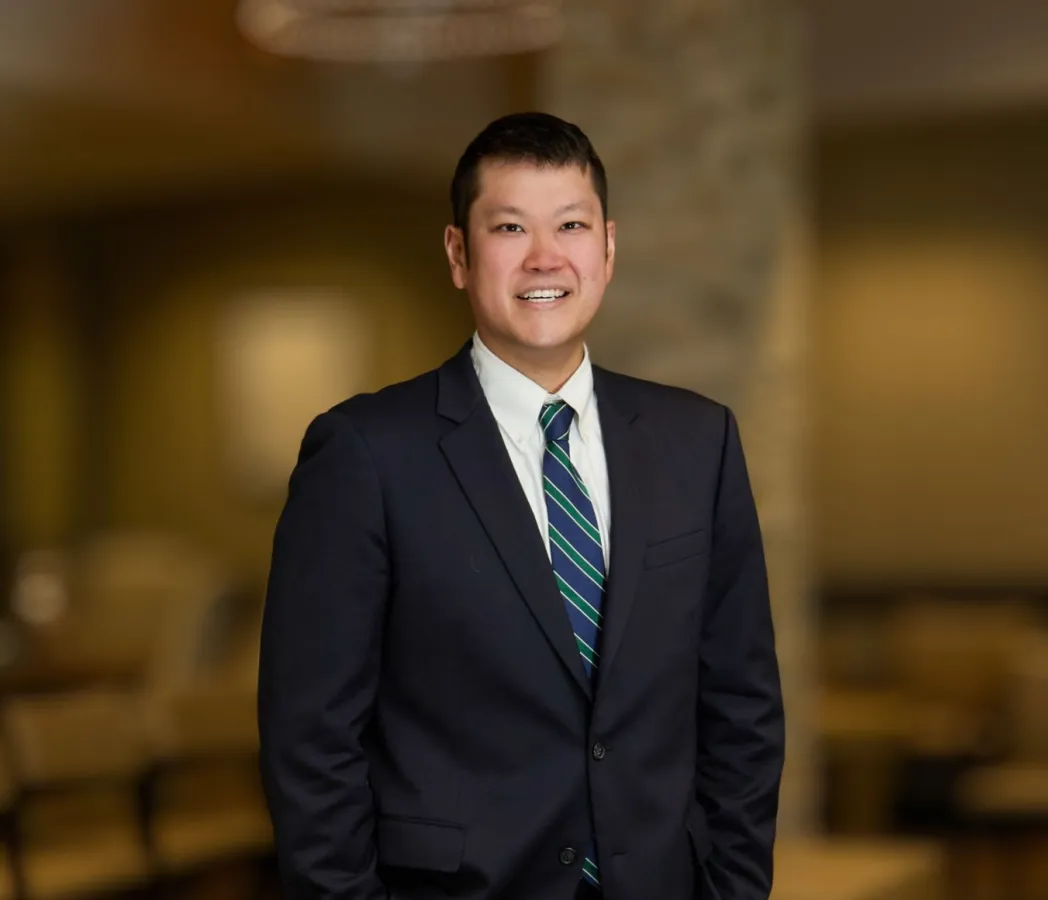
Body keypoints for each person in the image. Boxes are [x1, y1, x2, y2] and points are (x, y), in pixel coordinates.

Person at [257, 112, 785, 900]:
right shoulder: (365, 454)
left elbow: (742, 705)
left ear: (607, 247)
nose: (546, 257)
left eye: (570, 224)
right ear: (459, 254)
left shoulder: (697, 441)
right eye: (510, 226)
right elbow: (311, 741)